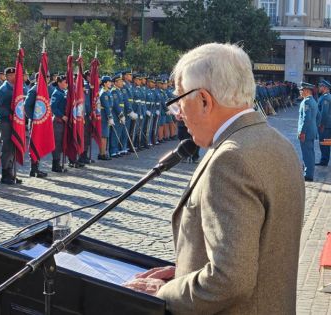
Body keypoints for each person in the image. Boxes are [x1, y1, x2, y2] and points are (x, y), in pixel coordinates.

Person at [124, 43, 304, 315]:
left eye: (179, 102)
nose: (179, 115)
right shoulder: (276, 142)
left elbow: (229, 280)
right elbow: (255, 251)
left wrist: (163, 293)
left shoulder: (230, 160)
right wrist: (184, 274)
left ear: (204, 100)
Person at [0, 67, 23, 184]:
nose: (13, 77)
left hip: (15, 121)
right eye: (10, 75)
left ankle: (11, 173)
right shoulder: (3, 90)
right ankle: (5, 174)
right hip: (6, 121)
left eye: (15, 75)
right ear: (6, 76)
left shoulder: (17, 88)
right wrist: (10, 113)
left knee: (13, 147)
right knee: (7, 147)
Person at [298, 82, 319, 182]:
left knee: (307, 153)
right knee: (310, 153)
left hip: (306, 132)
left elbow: (306, 119)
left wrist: (302, 132)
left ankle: (308, 174)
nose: (300, 92)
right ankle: (310, 172)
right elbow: (318, 117)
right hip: (311, 131)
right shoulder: (313, 101)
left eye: (302, 90)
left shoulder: (307, 102)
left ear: (306, 91)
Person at [50, 75, 69, 172]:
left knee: (61, 142)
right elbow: (53, 107)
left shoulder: (63, 92)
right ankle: (55, 165)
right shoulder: (57, 93)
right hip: (58, 121)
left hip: (62, 122)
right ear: (59, 83)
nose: (67, 84)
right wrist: (62, 116)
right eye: (65, 82)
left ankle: (59, 163)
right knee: (57, 143)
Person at [316, 79, 331, 166]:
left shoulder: (326, 97)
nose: (319, 88)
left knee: (324, 143)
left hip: (325, 125)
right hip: (326, 124)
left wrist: (321, 124)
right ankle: (324, 160)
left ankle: (324, 161)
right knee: (324, 143)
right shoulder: (325, 96)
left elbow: (324, 112)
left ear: (325, 87)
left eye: (320, 86)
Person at [98, 76, 114, 160]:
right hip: (104, 115)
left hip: (107, 114)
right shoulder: (103, 93)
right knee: (103, 136)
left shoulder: (108, 92)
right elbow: (107, 106)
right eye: (109, 82)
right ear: (104, 83)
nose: (110, 83)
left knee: (105, 135)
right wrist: (110, 117)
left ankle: (104, 152)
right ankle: (102, 153)